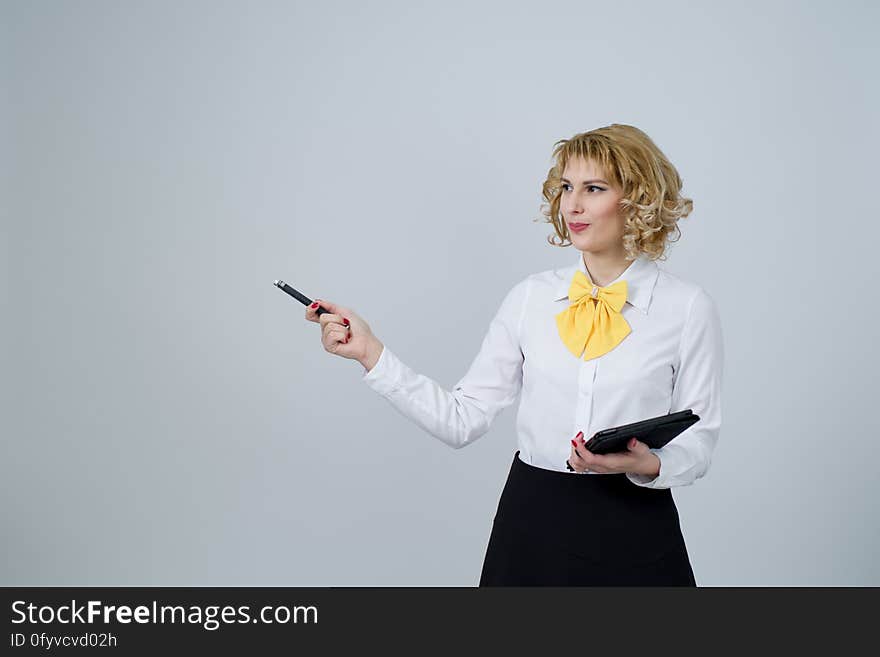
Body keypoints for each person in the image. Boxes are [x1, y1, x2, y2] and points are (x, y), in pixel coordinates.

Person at [304, 124, 723, 586]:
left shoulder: (687, 308)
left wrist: (647, 464)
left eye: (594, 188)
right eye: (566, 187)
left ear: (637, 199)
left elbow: (698, 440)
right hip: (534, 522)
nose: (573, 204)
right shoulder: (530, 298)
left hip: (636, 523)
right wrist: (371, 353)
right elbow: (462, 420)